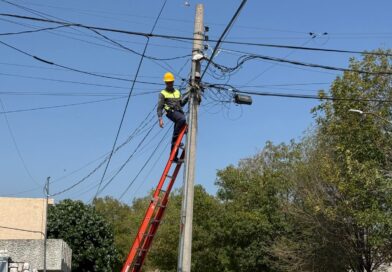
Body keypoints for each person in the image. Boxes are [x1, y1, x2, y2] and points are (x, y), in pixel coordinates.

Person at [157, 72, 188, 162]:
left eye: (170, 82)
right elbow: (160, 107)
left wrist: (187, 97)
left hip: (178, 112)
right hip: (170, 112)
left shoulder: (177, 92)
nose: (169, 84)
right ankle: (175, 140)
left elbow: (181, 104)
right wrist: (160, 119)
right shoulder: (162, 93)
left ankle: (174, 157)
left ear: (173, 82)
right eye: (167, 82)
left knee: (182, 126)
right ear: (165, 83)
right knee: (182, 119)